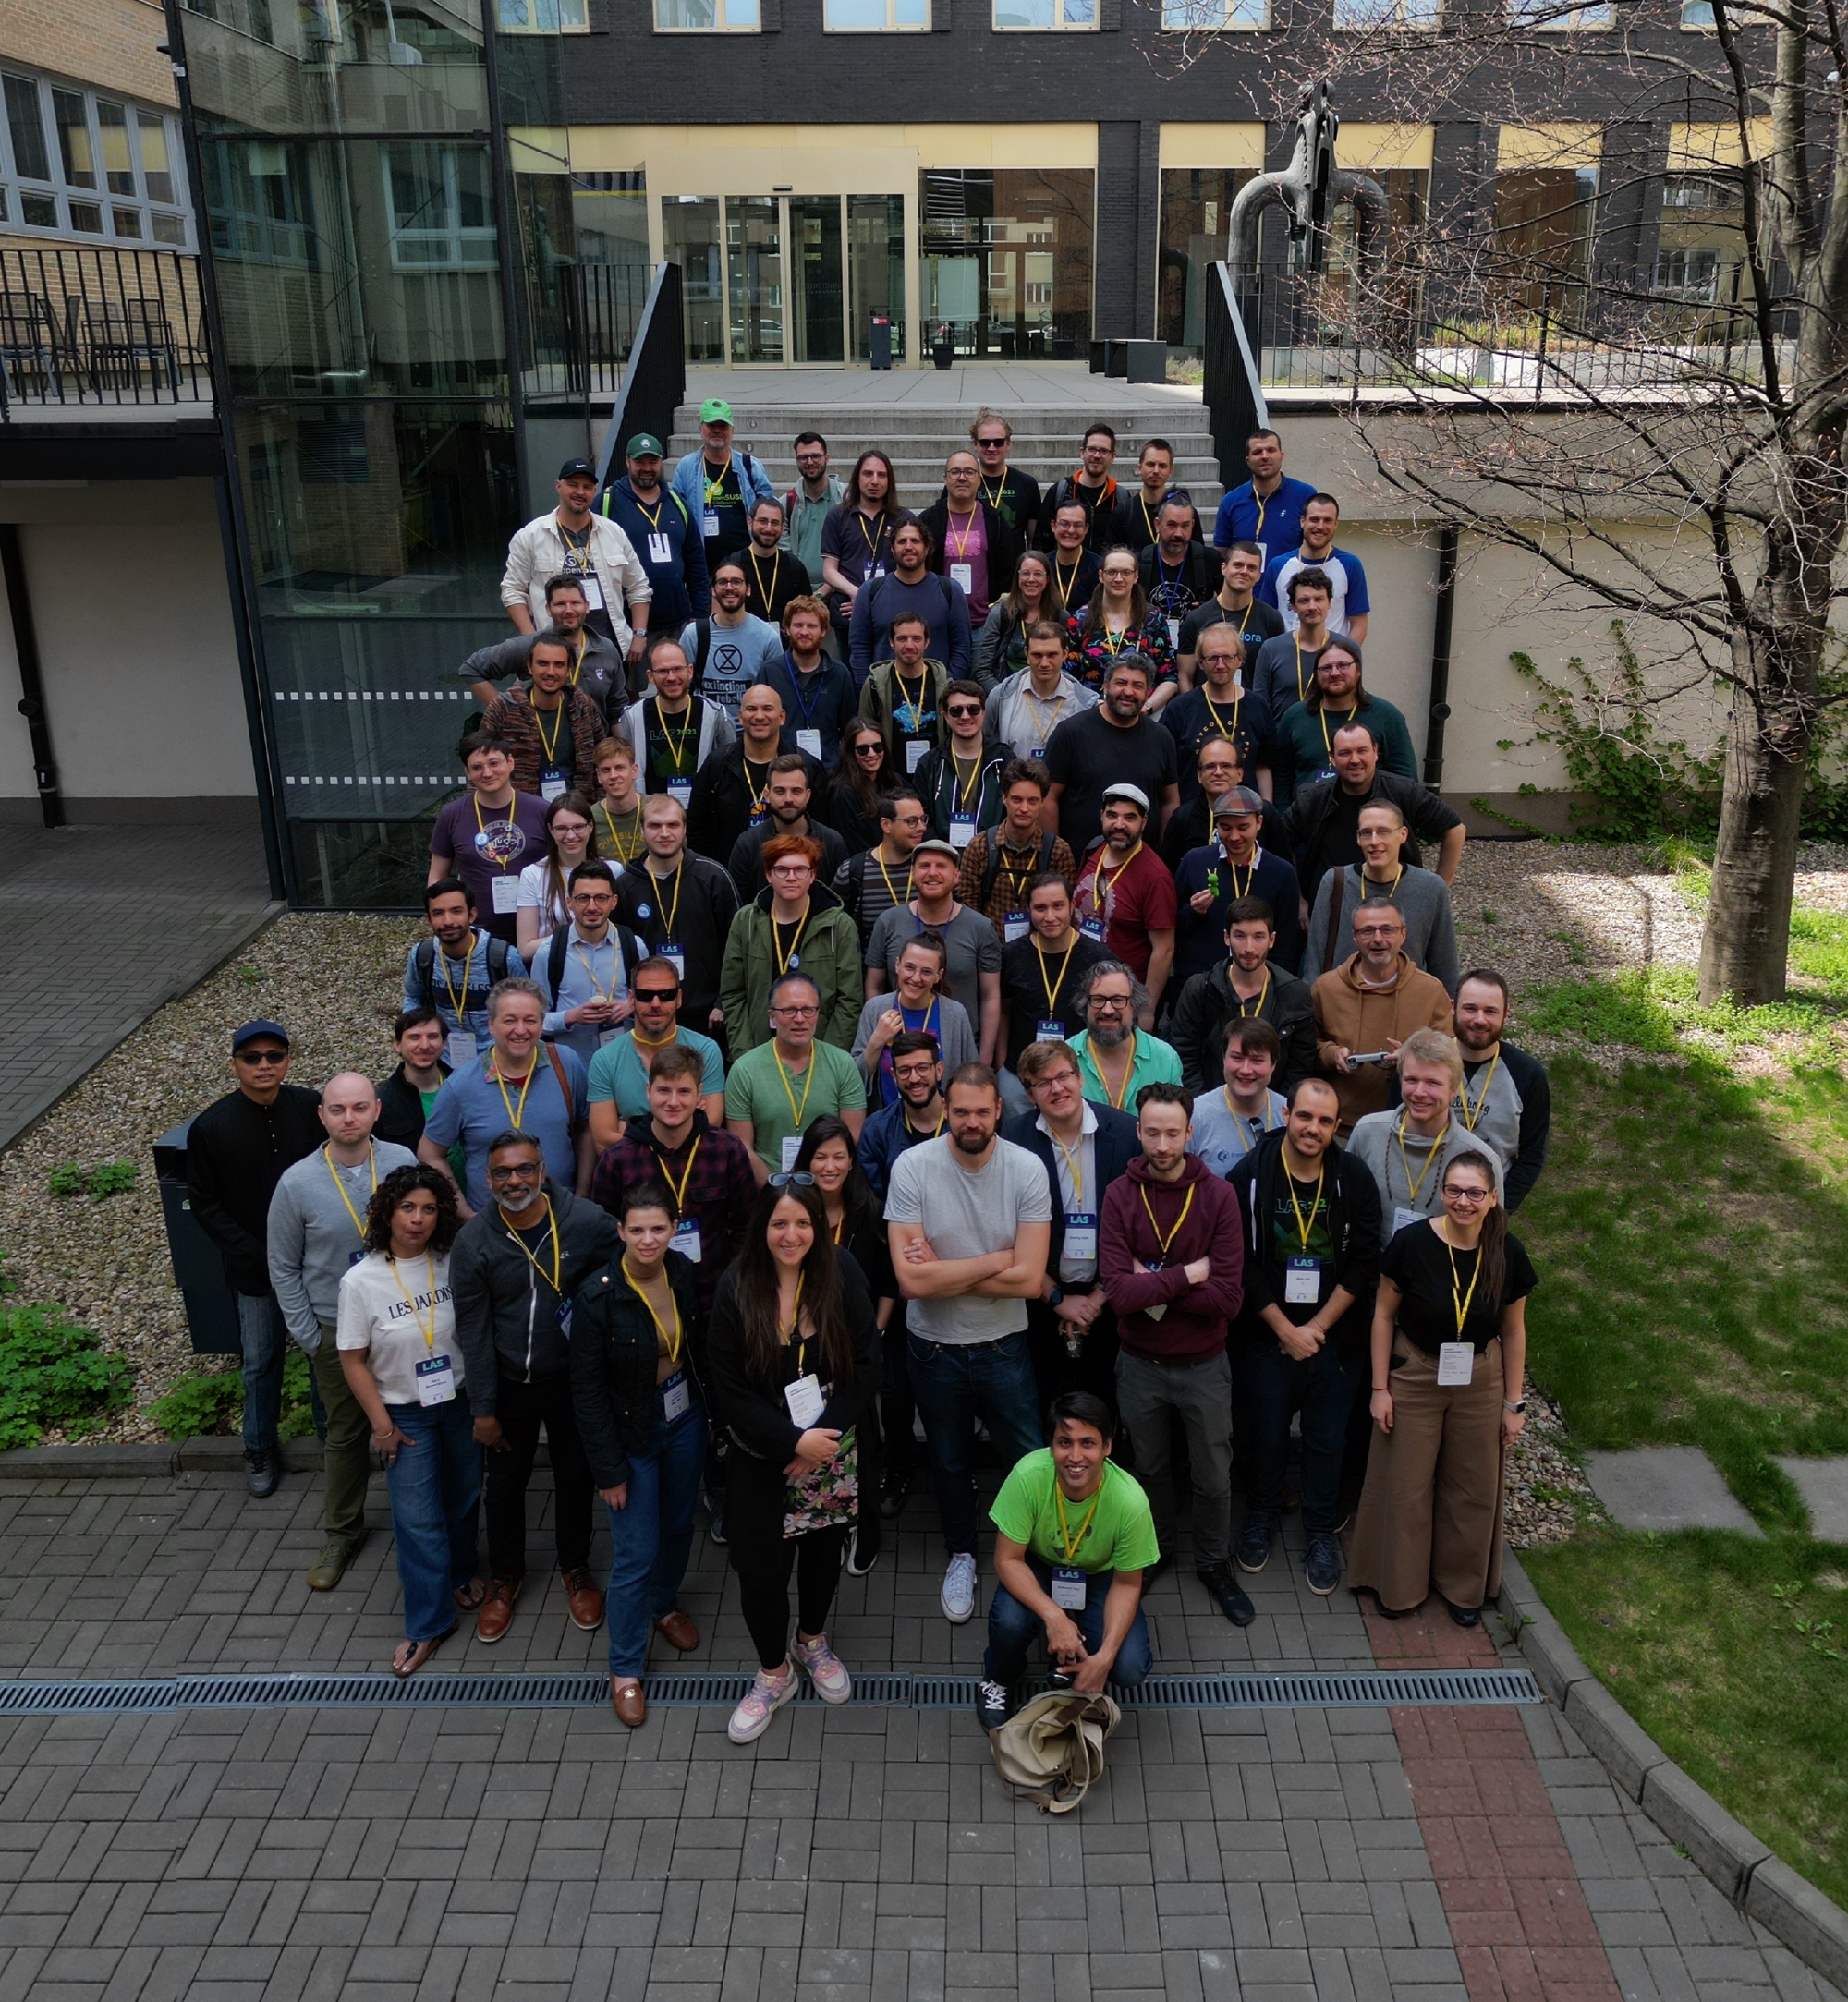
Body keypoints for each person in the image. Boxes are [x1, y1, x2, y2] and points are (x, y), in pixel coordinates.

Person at [706, 1175, 879, 1743]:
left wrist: (821, 1439)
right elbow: (728, 1389)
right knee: (760, 1571)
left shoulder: (841, 1273)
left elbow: (865, 1364)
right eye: (780, 1223)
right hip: (763, 1456)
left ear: (819, 1226)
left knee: (822, 1553)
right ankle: (773, 1674)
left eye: (803, 1223)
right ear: (763, 1227)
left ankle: (811, 1641)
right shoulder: (737, 1287)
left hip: (828, 1448)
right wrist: (790, 1443)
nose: (791, 1234)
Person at [886, 1064, 1052, 1624]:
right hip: (933, 1348)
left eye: (983, 1111)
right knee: (949, 1460)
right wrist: (997, 1260)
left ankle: (1032, 1554)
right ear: (945, 1107)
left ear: (999, 1111)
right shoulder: (912, 1167)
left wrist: (946, 1269)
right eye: (961, 1112)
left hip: (1005, 1344)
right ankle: (963, 1552)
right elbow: (912, 1284)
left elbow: (1031, 1282)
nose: (972, 1121)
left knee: (1027, 1461)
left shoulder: (1026, 1168)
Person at [449, 1129, 621, 1645]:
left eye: (525, 1169)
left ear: (543, 1171)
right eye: (502, 1172)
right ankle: (505, 1577)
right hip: (508, 1385)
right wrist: (483, 1407)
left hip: (573, 1383)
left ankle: (575, 1568)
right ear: (487, 1178)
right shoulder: (473, 1241)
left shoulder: (588, 1223)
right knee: (503, 1487)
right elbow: (473, 1331)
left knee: (574, 1478)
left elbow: (626, 1269)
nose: (514, 1180)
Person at [1348, 1149, 1535, 1624]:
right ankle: (1399, 1586)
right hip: (1416, 1375)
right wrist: (1379, 1388)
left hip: (1481, 1380)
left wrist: (1514, 1402)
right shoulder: (1411, 1244)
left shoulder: (1508, 1252)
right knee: (1405, 1486)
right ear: (1441, 1193)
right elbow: (1383, 1316)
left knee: (1471, 1488)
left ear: (1493, 1199)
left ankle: (1462, 1587)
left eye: (1475, 1192)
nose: (1463, 1201)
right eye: (1453, 1190)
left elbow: (1513, 1331)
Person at [1223, 1077, 1382, 1596]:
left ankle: (1319, 1532)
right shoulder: (1249, 1175)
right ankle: (1261, 1516)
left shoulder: (1354, 1178)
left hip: (1334, 1343)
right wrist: (1285, 1330)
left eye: (1325, 1121)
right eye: (1305, 1116)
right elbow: (1240, 1264)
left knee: (1326, 1441)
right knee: (1265, 1438)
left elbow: (1363, 1263)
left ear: (1337, 1127)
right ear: (1287, 1113)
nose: (1313, 1128)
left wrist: (1315, 1328)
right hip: (1267, 1339)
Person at [1100, 1082, 1250, 1626]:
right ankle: (1155, 1552)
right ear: (1137, 1131)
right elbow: (1118, 1294)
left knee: (1213, 1476)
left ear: (1190, 1132)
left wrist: (1154, 1283)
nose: (1162, 1146)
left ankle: (1214, 1563)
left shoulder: (1218, 1197)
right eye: (1152, 1132)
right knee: (1151, 1470)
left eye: (1172, 1133)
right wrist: (1188, 1274)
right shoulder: (1120, 1194)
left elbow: (1229, 1300)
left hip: (1204, 1366)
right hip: (1138, 1364)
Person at [266, 1074, 418, 1587]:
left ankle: (422, 1520)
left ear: (376, 1110)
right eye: (337, 1109)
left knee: (419, 1419)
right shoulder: (297, 1183)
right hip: (338, 1331)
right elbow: (283, 1266)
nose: (348, 1118)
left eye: (358, 1108)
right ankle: (342, 1532)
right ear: (322, 1116)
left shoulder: (401, 1163)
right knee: (347, 1432)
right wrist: (310, 1336)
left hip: (404, 1322)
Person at [569, 1177, 709, 1727]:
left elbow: (693, 1350)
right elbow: (585, 1391)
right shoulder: (598, 1294)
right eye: (637, 1230)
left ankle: (664, 1605)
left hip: (683, 1420)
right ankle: (625, 1668)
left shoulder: (681, 1273)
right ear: (620, 1232)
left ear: (674, 1230)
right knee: (633, 1552)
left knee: (679, 1526)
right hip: (631, 1432)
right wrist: (608, 1469)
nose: (648, 1240)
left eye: (658, 1229)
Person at [335, 1164, 479, 1677]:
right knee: (417, 1521)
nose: (417, 1219)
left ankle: (461, 1575)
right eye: (406, 1208)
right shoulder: (362, 1280)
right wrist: (381, 1426)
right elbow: (352, 1359)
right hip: (403, 1413)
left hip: (458, 1402)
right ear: (386, 1212)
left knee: (464, 1497)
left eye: (428, 1209)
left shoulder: (452, 1261)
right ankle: (428, 1624)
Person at [187, 1020, 324, 1498]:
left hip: (316, 1265)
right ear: (234, 1065)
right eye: (252, 1058)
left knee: (322, 1353)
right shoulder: (212, 1127)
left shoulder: (312, 1108)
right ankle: (259, 1447)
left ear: (288, 1059)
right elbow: (206, 1206)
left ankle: (333, 1441)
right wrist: (260, 1254)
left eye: (274, 1055)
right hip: (256, 1272)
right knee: (261, 1361)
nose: (264, 1065)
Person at [976, 1391, 1158, 1729]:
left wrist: (1103, 1661)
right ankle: (998, 1678)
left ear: (1107, 1447)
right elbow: (1007, 1560)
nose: (1075, 1457)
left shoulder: (1130, 1501)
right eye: (1064, 1442)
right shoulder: (1027, 1476)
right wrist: (1054, 1616)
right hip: (1038, 1564)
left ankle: (1083, 1664)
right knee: (1011, 1624)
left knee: (1129, 1668)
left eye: (1088, 1443)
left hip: (1099, 1574)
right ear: (1051, 1446)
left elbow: (1128, 1582)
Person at [1003, 1040, 1138, 1420]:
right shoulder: (1012, 1140)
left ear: (1080, 1078)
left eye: (1063, 1076)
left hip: (1111, 1301)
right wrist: (1056, 1298)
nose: (1056, 1088)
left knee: (1109, 1410)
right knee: (1048, 1410)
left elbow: (1139, 1225)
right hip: (1040, 1304)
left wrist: (1098, 1298)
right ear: (1030, 1095)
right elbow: (1006, 1229)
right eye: (1043, 1083)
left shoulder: (1126, 1133)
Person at [795, 1115, 900, 1574]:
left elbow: (888, 1282)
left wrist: (875, 1333)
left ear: (852, 1161)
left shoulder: (868, 1212)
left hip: (859, 1349)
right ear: (806, 1161)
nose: (829, 1166)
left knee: (865, 1439)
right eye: (820, 1156)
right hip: (806, 1351)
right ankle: (825, 1521)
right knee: (815, 1433)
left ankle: (866, 1525)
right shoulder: (794, 1212)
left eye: (839, 1156)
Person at [589, 1043, 758, 1318]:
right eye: (664, 1091)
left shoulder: (727, 1151)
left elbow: (747, 1228)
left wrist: (732, 1285)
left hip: (714, 1302)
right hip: (641, 1306)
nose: (673, 1102)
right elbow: (605, 1237)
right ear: (648, 1091)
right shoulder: (617, 1160)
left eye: (684, 1092)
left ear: (699, 1093)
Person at [419, 977, 593, 1218]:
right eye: (510, 1020)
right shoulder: (461, 1085)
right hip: (493, 1226)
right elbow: (430, 1153)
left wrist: (581, 1197)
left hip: (560, 1216)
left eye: (530, 1020)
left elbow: (585, 1130)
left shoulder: (566, 1064)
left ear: (542, 1024)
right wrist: (467, 1215)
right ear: (491, 1024)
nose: (520, 1030)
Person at [1311, 901, 1455, 1129]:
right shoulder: (1326, 988)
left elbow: (1451, 1055)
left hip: (1409, 1125)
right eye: (1367, 931)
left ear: (1403, 934)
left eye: (1387, 930)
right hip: (1341, 1126)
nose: (1378, 939)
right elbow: (1306, 1046)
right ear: (1354, 937)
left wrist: (1411, 1059)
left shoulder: (1430, 990)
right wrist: (1333, 1054)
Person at [1285, 722, 1467, 901]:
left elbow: (1455, 829)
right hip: (1332, 906)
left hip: (1395, 906)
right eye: (1345, 753)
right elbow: (1281, 841)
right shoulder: (1312, 799)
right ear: (1332, 757)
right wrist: (1299, 900)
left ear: (1375, 752)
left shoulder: (1403, 792)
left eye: (1362, 751)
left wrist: (1438, 890)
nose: (1355, 760)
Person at [1348, 1029, 1505, 1234]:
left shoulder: (1481, 1158)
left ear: (1453, 1090)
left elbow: (1492, 1237)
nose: (1419, 1093)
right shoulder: (1366, 1134)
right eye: (1412, 1080)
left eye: (1433, 1083)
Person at [721, 836, 863, 1058]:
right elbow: (733, 993)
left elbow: (850, 1000)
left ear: (813, 875)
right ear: (768, 875)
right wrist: (745, 1055)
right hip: (758, 1050)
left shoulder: (839, 925)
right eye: (782, 870)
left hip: (819, 1050)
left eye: (800, 870)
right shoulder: (746, 921)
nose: (791, 877)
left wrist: (828, 1057)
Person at [610, 794, 737, 1040]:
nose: (664, 833)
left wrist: (724, 1002)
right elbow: (617, 954)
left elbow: (738, 947)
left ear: (685, 828)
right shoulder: (625, 885)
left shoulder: (713, 877)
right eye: (655, 825)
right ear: (642, 831)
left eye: (673, 825)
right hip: (649, 1013)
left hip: (708, 1015)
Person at [865, 838, 1002, 1063]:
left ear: (957, 876)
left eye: (941, 866)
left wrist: (983, 1062)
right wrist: (880, 1033)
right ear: (912, 874)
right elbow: (874, 985)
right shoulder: (888, 922)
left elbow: (991, 996)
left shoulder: (980, 927)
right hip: (898, 1049)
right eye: (924, 866)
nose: (932, 873)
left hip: (959, 1049)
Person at [1304, 798, 1459, 991]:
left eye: (1383, 832)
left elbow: (1445, 965)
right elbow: (1314, 959)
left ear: (1403, 835)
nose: (1374, 842)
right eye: (1367, 833)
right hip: (1344, 1002)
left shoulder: (1430, 888)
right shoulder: (1335, 882)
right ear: (1358, 838)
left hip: (1406, 1004)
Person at [502, 456, 651, 658]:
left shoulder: (613, 532)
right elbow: (512, 590)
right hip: (554, 654)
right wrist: (531, 639)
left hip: (610, 649)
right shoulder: (530, 536)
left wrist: (639, 634)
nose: (580, 492)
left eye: (587, 487)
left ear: (594, 492)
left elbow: (639, 586)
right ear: (558, 486)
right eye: (573, 485)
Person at [724, 971, 869, 1179]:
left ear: (818, 1013)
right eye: (789, 1010)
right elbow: (743, 1148)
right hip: (768, 1191)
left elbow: (851, 1139)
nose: (800, 1019)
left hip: (828, 1185)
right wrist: (779, 1192)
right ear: (772, 1017)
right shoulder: (745, 1070)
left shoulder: (842, 1064)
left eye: (808, 1010)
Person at [1170, 895, 1318, 1093]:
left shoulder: (1295, 994)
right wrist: (1206, 1108)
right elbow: (1184, 1056)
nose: (1249, 948)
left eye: (1258, 937)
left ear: (1271, 940)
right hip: (1210, 1107)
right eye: (1240, 936)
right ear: (1226, 937)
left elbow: (1299, 1067)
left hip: (1272, 1112)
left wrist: (1276, 1112)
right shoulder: (1201, 989)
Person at [1042, 655, 1181, 858]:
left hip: (1141, 865)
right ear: (1105, 686)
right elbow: (1048, 798)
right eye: (1121, 683)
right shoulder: (1071, 733)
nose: (1128, 691)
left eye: (1137, 685)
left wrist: (1164, 856)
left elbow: (1170, 802)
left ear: (1148, 692)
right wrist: (1054, 858)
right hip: (1080, 865)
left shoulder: (1162, 738)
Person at [428, 733, 552, 946]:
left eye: (494, 763)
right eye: (477, 767)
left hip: (538, 932)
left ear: (510, 762)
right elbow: (437, 876)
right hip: (477, 935)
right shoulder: (452, 815)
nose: (487, 773)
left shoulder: (542, 810)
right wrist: (442, 917)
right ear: (467, 772)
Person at [459, 572, 626, 730]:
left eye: (575, 603)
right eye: (560, 604)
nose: (568, 610)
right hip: (539, 749)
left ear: (587, 607)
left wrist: (623, 750)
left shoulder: (606, 649)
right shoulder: (530, 646)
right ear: (548, 609)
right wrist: (507, 714)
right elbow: (471, 669)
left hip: (592, 750)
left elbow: (616, 709)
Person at [587, 958, 727, 1146]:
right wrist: (685, 1122)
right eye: (645, 995)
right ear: (631, 999)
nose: (655, 1003)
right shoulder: (605, 1059)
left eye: (665, 995)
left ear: (679, 999)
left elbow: (710, 1131)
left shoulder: (705, 1051)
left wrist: (630, 1129)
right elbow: (604, 1141)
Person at [1173, 785, 1305, 986]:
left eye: (1243, 827)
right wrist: (1194, 912)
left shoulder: (1282, 872)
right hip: (1200, 983)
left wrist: (1274, 989)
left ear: (1259, 822)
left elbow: (1285, 944)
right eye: (1225, 828)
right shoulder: (1195, 861)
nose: (1234, 837)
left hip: (1258, 984)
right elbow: (1172, 926)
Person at [996, 874, 1109, 1101]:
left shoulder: (1098, 958)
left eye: (1058, 906)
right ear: (1029, 909)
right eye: (1040, 908)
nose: (1050, 917)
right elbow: (1004, 1012)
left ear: (1072, 906)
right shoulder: (1012, 955)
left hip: (1077, 1076)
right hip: (1019, 1078)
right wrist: (1001, 1068)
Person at [689, 682, 826, 866]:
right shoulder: (718, 764)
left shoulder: (807, 766)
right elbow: (697, 827)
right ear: (740, 716)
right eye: (751, 709)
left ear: (782, 716)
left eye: (767, 709)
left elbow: (821, 828)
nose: (759, 716)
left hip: (792, 875)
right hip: (729, 873)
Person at [1450, 969, 1551, 1211]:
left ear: (1506, 1015)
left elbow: (1532, 1156)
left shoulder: (1528, 1075)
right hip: (1426, 1197)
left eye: (1491, 1011)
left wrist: (1500, 1211)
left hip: (1488, 1207)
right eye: (1470, 1008)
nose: (1479, 1019)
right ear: (1453, 1007)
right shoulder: (1425, 1063)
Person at [601, 432, 710, 651]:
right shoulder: (608, 503)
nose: (647, 468)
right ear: (627, 462)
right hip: (628, 624)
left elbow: (696, 564)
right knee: (632, 686)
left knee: (677, 682)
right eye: (640, 462)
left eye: (653, 461)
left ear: (661, 462)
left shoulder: (678, 504)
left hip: (677, 621)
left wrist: (698, 614)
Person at [1273, 638, 1416, 802]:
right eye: (1326, 668)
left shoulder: (1387, 716)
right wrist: (1285, 819)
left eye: (1343, 665)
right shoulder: (1294, 717)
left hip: (1370, 821)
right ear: (1316, 675)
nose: (1335, 673)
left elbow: (1405, 777)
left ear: (1358, 671)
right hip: (1308, 820)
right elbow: (1282, 777)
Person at [530, 860, 644, 1067]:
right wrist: (571, 1017)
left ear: (614, 901)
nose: (592, 907)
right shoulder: (548, 953)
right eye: (583, 898)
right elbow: (534, 1019)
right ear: (569, 902)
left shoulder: (634, 947)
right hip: (570, 1068)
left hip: (624, 1063)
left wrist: (632, 1006)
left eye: (601, 898)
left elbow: (653, 1003)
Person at [1070, 783, 1176, 1006]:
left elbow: (1164, 949)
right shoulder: (1094, 849)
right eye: (1112, 815)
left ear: (1144, 822)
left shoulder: (1155, 877)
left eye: (1130, 818)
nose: (1119, 825)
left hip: (1122, 999)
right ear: (1101, 816)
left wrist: (1147, 1009)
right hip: (1080, 987)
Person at [405, 879, 524, 1065]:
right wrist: (414, 1036)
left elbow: (526, 1008)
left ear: (472, 915)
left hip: (497, 1059)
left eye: (456, 911)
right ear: (428, 919)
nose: (448, 921)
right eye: (438, 913)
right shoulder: (422, 956)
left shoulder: (503, 957)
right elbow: (413, 997)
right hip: (441, 1058)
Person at [957, 760, 1076, 948]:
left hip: (1041, 951)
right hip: (990, 950)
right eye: (1017, 799)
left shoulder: (1058, 851)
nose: (1024, 809)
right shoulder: (980, 846)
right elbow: (968, 908)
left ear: (1043, 802)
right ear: (1004, 798)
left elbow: (1066, 910)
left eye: (1033, 801)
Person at [853, 933, 978, 1110]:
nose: (916, 978)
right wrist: (877, 1041)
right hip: (887, 1122)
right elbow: (853, 1081)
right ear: (897, 966)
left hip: (941, 1123)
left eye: (926, 971)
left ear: (938, 976)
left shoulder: (955, 1014)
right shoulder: (875, 1009)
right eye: (909, 967)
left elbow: (972, 1077)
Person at [480, 631, 602, 803]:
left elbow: (601, 761)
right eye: (543, 664)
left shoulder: (583, 707)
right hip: (522, 815)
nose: (550, 672)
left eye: (559, 665)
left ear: (568, 670)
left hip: (577, 816)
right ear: (529, 667)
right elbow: (480, 761)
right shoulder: (503, 708)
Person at [850, 514, 972, 681]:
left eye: (915, 541)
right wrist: (869, 690)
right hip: (884, 695)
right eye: (902, 541)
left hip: (937, 695)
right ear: (892, 549)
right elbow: (859, 649)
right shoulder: (869, 591)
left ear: (927, 548)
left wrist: (947, 688)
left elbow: (962, 648)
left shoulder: (950, 590)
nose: (908, 547)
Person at [617, 637, 736, 807]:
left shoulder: (716, 715)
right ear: (650, 676)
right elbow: (626, 772)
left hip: (702, 818)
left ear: (690, 671)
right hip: (651, 819)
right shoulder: (633, 717)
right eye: (663, 671)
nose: (671, 677)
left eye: (677, 669)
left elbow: (730, 771)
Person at [670, 396, 776, 573]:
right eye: (711, 426)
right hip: (702, 565)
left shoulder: (750, 466)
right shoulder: (686, 467)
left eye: (723, 426)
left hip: (745, 565)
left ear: (732, 430)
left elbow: (770, 509)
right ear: (700, 429)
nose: (717, 430)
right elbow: (676, 514)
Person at [1163, 625, 1270, 801]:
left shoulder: (1258, 707)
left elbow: (1263, 767)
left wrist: (1266, 810)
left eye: (1227, 657)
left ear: (1240, 660)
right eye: (1213, 658)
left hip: (1245, 817)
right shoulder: (1178, 709)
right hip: (1194, 816)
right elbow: (1169, 772)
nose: (1220, 665)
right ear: (1200, 663)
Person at [726, 755, 849, 905]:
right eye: (780, 791)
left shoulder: (832, 843)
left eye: (796, 791)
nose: (788, 798)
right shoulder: (747, 845)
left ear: (807, 795)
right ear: (767, 795)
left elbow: (841, 905)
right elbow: (739, 909)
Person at [1159, 736, 1292, 873]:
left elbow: (1283, 868)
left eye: (1226, 766)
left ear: (1240, 774)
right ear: (1199, 775)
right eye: (1210, 766)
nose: (1218, 772)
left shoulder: (1263, 812)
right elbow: (1168, 872)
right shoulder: (1183, 817)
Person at [682, 558, 784, 727]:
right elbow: (682, 686)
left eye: (736, 582)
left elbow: (776, 694)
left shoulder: (767, 637)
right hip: (705, 730)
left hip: (752, 732)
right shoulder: (693, 634)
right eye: (722, 582)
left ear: (748, 589)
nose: (729, 588)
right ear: (713, 591)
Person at [1068, 960, 1183, 1110]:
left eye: (1118, 1000)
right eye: (1098, 1000)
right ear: (1086, 1004)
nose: (1108, 1010)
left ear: (1135, 1006)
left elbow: (1174, 1123)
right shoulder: (1063, 1057)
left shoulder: (1165, 1058)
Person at [921, 449, 1017, 627]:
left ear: (979, 480)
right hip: (940, 622)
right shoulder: (928, 520)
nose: (962, 477)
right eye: (955, 472)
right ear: (945, 479)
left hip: (984, 623)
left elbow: (1006, 573)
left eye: (969, 472)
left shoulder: (995, 521)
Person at [856, 1026, 952, 1199]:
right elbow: (874, 1203)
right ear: (894, 1076)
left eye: (922, 1068)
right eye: (905, 1070)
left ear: (939, 1070)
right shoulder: (876, 1131)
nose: (914, 1078)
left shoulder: (963, 1123)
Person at [762, 597, 860, 766]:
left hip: (829, 773)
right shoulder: (769, 672)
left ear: (823, 631)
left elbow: (849, 731)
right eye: (798, 625)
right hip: (781, 771)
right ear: (787, 629)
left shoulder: (840, 674)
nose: (804, 632)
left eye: (812, 626)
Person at [1259, 492, 1370, 642]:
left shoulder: (1350, 565)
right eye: (1314, 519)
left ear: (1336, 525)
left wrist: (1344, 658)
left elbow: (1359, 623)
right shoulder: (1278, 566)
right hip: (1288, 660)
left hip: (1331, 662)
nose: (1320, 526)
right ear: (1302, 521)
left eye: (1327, 521)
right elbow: (1266, 622)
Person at [1064, 549, 1176, 695]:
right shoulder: (1079, 620)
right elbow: (1067, 677)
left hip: (1142, 710)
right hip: (1091, 710)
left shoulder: (1153, 618)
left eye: (1126, 572)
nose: (1118, 579)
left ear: (1136, 576)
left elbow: (1169, 676)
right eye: (1111, 572)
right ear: (1101, 575)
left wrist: (1147, 709)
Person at [1189, 1018, 1290, 1177]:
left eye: (1257, 1060)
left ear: (1273, 1064)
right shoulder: (1195, 1116)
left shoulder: (1289, 1114)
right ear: (1223, 1058)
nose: (1245, 1070)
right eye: (1237, 1058)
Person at [857, 610, 950, 778]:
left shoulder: (944, 683)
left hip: (935, 777)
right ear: (891, 642)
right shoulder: (874, 685)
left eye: (916, 639)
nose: (909, 645)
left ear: (927, 642)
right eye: (902, 639)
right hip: (891, 779)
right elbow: (863, 736)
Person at [986, 620, 1095, 761]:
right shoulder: (1001, 696)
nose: (1044, 663)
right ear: (1027, 654)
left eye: (1052, 655)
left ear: (1065, 654)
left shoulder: (1085, 703)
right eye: (1037, 655)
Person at [833, 787, 926, 951]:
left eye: (923, 819)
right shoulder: (853, 872)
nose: (921, 827)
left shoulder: (930, 870)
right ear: (886, 825)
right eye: (912, 821)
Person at [820, 448, 898, 642]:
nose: (874, 481)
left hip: (891, 611)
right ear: (857, 478)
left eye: (881, 475)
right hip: (848, 609)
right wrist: (858, 594)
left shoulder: (903, 519)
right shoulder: (837, 517)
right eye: (868, 474)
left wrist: (872, 602)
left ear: (889, 482)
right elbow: (829, 571)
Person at [915, 680, 1005, 845]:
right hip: (943, 861)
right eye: (956, 711)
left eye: (973, 709)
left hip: (993, 857)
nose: (965, 716)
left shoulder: (1004, 760)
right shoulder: (929, 763)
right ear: (945, 716)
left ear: (984, 713)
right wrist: (942, 852)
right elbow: (922, 817)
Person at [1176, 541, 1284, 681]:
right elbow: (1185, 676)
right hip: (1207, 701)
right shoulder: (1196, 618)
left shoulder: (1272, 619)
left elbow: (1276, 675)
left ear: (1258, 576)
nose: (1244, 571)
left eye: (1251, 568)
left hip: (1253, 702)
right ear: (1224, 568)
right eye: (1238, 565)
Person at [1137, 497, 1219, 679]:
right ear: (1158, 525)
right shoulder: (1140, 562)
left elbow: (1229, 608)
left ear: (1193, 526)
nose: (1178, 533)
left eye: (1185, 526)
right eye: (1172, 525)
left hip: (1198, 657)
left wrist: (1209, 610)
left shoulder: (1210, 561)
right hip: (1149, 656)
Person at [1247, 571, 1336, 736]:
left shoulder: (1345, 650)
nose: (1312, 606)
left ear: (1329, 603)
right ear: (1293, 606)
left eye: (1319, 599)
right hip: (1281, 747)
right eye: (1304, 600)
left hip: (1332, 746)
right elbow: (1260, 707)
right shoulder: (1271, 649)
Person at [1211, 427, 1317, 564]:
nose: (1265, 456)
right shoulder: (1230, 502)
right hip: (1246, 585)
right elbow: (1221, 554)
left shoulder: (1305, 496)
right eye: (1257, 452)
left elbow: (1316, 547)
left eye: (1271, 450)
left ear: (1282, 456)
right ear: (1248, 461)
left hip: (1290, 584)